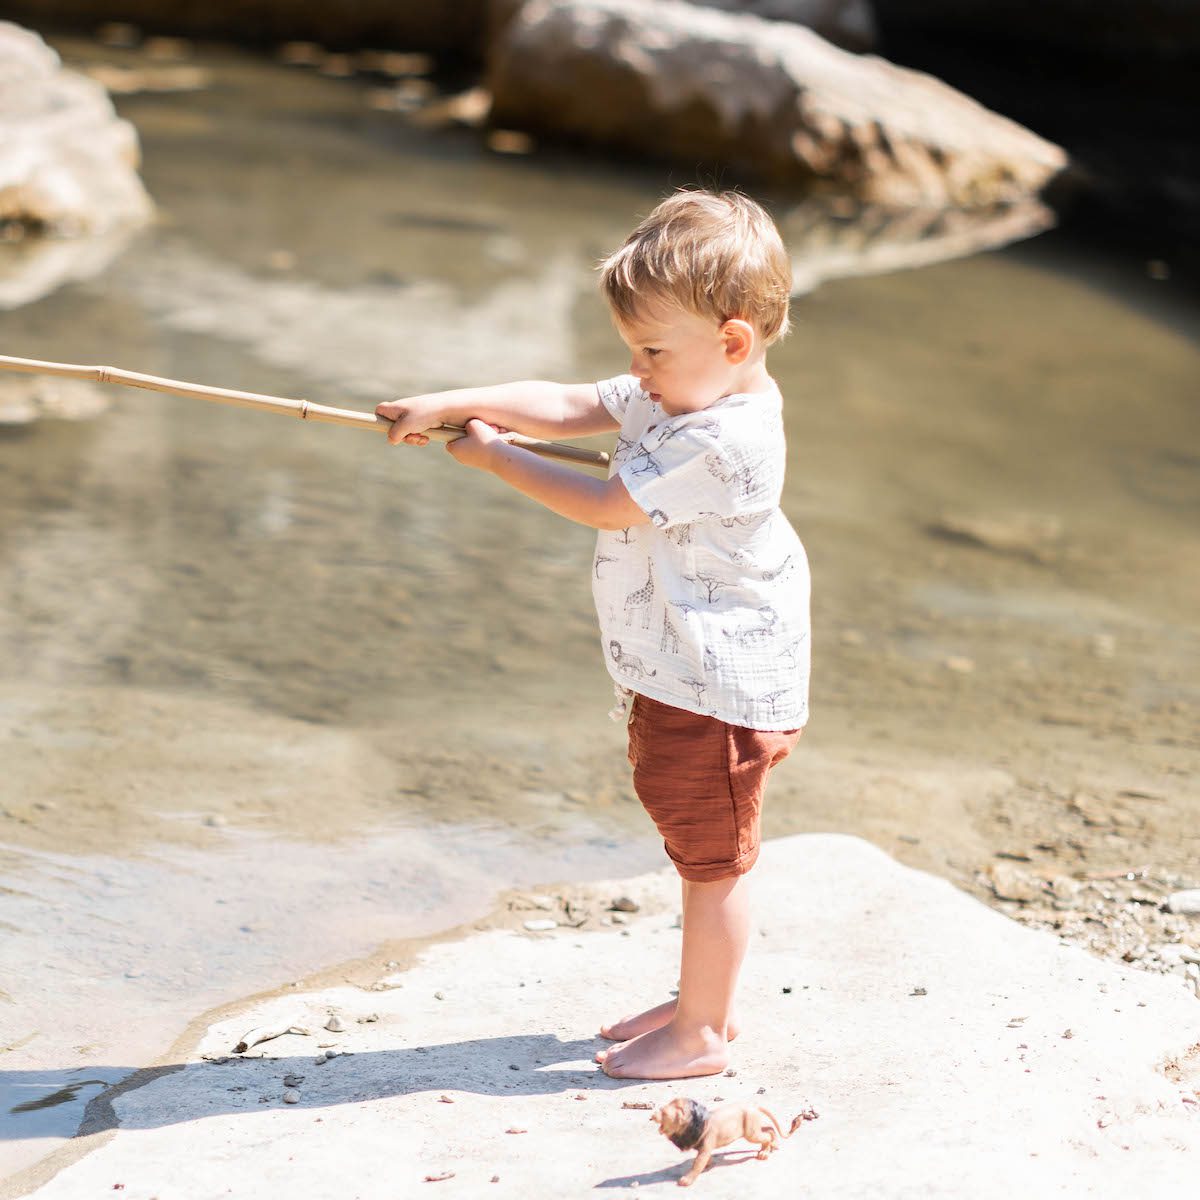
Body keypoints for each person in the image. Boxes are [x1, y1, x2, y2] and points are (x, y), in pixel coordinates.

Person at [376, 190, 810, 1080]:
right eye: (633, 352)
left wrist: (499, 459)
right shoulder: (679, 390)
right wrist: (452, 403)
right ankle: (703, 1001)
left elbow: (607, 501)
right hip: (680, 672)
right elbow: (572, 402)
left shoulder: (726, 437)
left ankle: (703, 1035)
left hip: (717, 685)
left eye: (650, 351)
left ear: (732, 341)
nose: (636, 372)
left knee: (712, 859)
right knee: (692, 837)